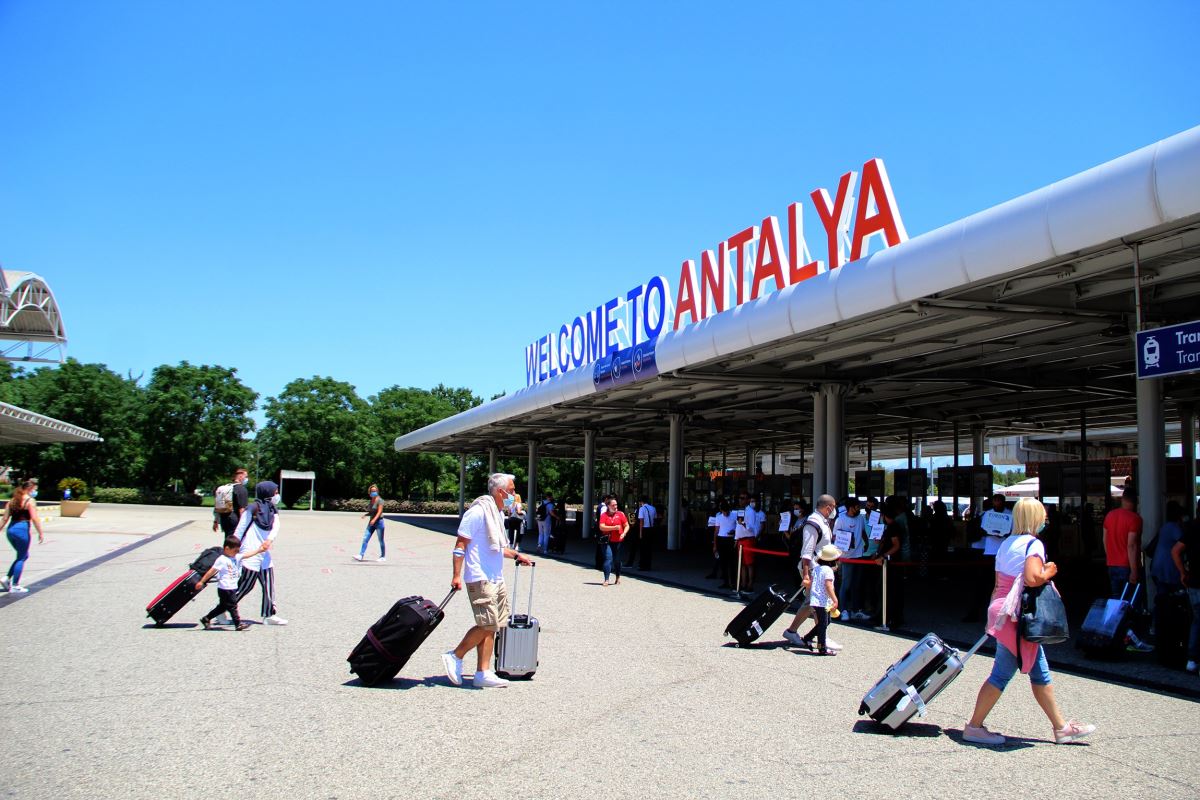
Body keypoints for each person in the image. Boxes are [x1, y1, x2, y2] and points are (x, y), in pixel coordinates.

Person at [963, 497, 1096, 745]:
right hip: (1019, 616)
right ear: (1035, 518)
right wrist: (1049, 571)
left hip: (1004, 612)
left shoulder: (1005, 545)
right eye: (1042, 515)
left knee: (1038, 671)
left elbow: (997, 585)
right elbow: (1034, 578)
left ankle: (1061, 727)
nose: (1046, 519)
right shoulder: (1033, 545)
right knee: (1004, 674)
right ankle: (974, 726)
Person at [442, 473, 533, 689]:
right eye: (511, 491)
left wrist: (517, 556)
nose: (514, 494)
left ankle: (483, 672)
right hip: (479, 577)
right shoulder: (477, 512)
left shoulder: (496, 514)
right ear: (499, 491)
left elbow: (496, 547)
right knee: (488, 623)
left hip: (496, 576)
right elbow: (460, 545)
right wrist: (456, 575)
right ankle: (455, 655)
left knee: (495, 625)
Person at [781, 494, 843, 651]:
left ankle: (792, 631)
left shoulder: (821, 521)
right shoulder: (814, 523)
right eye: (833, 507)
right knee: (817, 603)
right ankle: (821, 637)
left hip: (816, 568)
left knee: (811, 603)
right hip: (814, 568)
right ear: (828, 507)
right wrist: (807, 574)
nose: (834, 510)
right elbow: (807, 551)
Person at [1102, 489, 1152, 652]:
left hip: (1112, 564)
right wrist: (1134, 569)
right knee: (1131, 605)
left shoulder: (1110, 516)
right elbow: (1131, 545)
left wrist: (1110, 556)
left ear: (1122, 499)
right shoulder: (1135, 519)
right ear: (1135, 501)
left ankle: (1116, 636)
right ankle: (1131, 639)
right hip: (1127, 566)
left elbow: (1104, 539)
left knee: (1116, 603)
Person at [232, 481, 287, 625]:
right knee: (246, 586)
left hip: (264, 553)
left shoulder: (272, 509)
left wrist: (269, 540)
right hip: (250, 552)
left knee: (269, 582)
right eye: (275, 492)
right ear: (267, 493)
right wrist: (233, 549)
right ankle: (223, 608)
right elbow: (240, 529)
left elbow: (276, 526)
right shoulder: (253, 508)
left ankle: (269, 614)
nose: (277, 495)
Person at [196, 535, 267, 631]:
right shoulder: (221, 559)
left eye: (238, 551)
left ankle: (206, 618)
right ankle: (238, 624)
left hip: (232, 587)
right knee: (233, 606)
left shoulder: (236, 557)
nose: (236, 553)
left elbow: (247, 555)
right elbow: (211, 571)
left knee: (222, 607)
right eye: (235, 551)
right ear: (227, 548)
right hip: (225, 588)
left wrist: (259, 550)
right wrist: (202, 581)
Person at [1170, 505, 1200, 673]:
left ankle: (1192, 659)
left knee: (1197, 621)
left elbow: (1175, 551)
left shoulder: (1192, 528)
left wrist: (1183, 572)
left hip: (1195, 581)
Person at [1, 480, 44, 594]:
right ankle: (15, 585)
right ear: (29, 489)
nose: (35, 491)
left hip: (10, 530)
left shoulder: (12, 501)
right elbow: (34, 518)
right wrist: (40, 532)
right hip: (22, 530)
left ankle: (7, 578)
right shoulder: (30, 501)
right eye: (34, 489)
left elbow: (4, 519)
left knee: (22, 555)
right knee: (22, 557)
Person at [873, 499, 906, 630]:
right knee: (888, 591)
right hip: (890, 563)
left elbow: (896, 545)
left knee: (888, 591)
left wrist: (883, 555)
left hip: (891, 564)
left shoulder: (893, 527)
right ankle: (890, 617)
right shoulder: (893, 526)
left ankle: (889, 618)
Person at [803, 544, 841, 655]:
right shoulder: (828, 571)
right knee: (823, 624)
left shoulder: (817, 569)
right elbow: (828, 586)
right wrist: (835, 600)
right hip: (822, 601)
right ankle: (821, 647)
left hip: (815, 599)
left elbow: (813, 582)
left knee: (825, 622)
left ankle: (808, 637)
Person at [838, 497, 869, 620]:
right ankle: (843, 610)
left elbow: (862, 531)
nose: (859, 508)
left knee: (857, 584)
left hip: (859, 554)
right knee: (846, 584)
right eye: (857, 506)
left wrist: (865, 542)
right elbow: (836, 536)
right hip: (847, 556)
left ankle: (856, 610)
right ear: (851, 507)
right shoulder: (841, 519)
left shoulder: (860, 518)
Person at [598, 496, 630, 586]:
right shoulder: (604, 515)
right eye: (613, 505)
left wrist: (624, 533)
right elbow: (601, 527)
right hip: (607, 541)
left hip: (618, 540)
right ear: (608, 506)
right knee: (608, 558)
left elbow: (627, 525)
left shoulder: (620, 514)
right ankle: (606, 579)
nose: (615, 506)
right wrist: (614, 528)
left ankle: (618, 576)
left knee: (617, 560)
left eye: (616, 505)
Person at [734, 493, 761, 593]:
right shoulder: (740, 511)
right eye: (739, 498)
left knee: (749, 563)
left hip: (748, 539)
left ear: (748, 500)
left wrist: (743, 523)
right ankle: (742, 583)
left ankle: (750, 585)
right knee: (742, 564)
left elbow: (752, 528)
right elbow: (738, 526)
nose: (740, 500)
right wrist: (736, 539)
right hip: (740, 539)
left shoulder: (750, 512)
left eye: (742, 498)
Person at [212, 468, 250, 538]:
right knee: (235, 541)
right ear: (240, 476)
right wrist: (244, 524)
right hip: (235, 520)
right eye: (246, 476)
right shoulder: (241, 489)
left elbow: (218, 506)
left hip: (224, 519)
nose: (247, 479)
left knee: (228, 539)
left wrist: (215, 521)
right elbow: (242, 509)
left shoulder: (226, 487)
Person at [355, 484, 386, 562]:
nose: (373, 492)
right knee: (366, 538)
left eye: (375, 491)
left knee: (380, 540)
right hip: (371, 523)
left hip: (379, 522)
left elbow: (379, 512)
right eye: (372, 491)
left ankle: (383, 556)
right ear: (369, 492)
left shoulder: (380, 500)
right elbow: (372, 512)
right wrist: (366, 515)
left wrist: (374, 520)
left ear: (377, 491)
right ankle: (361, 555)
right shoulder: (371, 501)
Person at [628, 496, 657, 570]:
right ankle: (648, 565)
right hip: (651, 529)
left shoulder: (642, 509)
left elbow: (641, 521)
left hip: (644, 529)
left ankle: (643, 565)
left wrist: (640, 533)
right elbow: (655, 518)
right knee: (649, 548)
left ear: (641, 502)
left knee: (643, 548)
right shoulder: (653, 508)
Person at [712, 500, 737, 589]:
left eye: (726, 511)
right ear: (721, 510)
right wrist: (715, 544)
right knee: (723, 562)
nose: (725, 513)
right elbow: (716, 531)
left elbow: (739, 526)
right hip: (721, 539)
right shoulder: (718, 517)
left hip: (731, 539)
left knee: (732, 562)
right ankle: (726, 582)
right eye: (723, 511)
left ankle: (734, 583)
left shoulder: (734, 515)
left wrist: (734, 532)